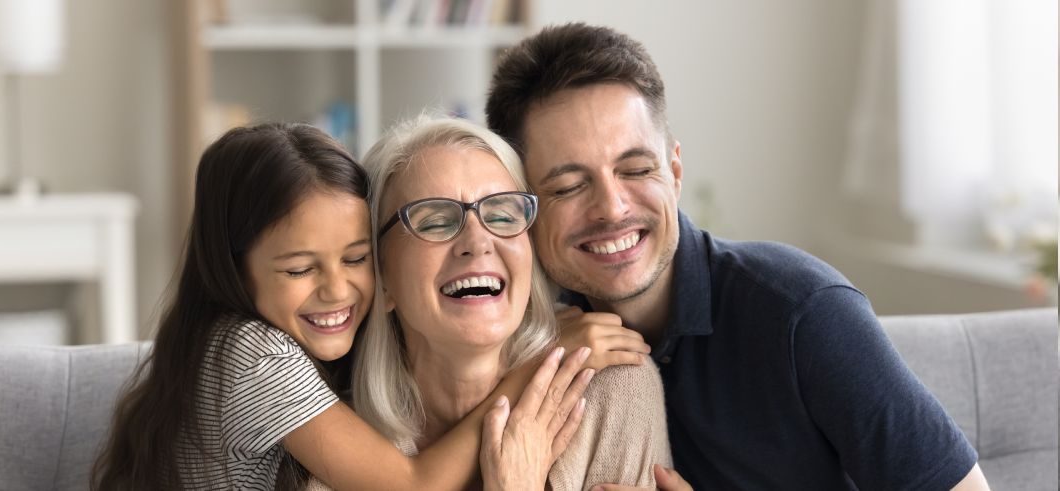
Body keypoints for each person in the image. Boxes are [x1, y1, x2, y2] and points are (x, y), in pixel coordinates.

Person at [485, 23, 991, 490]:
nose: (612, 208)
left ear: (674, 172)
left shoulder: (802, 311)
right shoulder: (513, 325)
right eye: (569, 186)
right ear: (520, 206)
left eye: (636, 170)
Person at [91, 122, 627, 490]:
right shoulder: (253, 355)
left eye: (355, 259)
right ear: (233, 268)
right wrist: (536, 371)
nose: (338, 290)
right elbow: (411, 485)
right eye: (299, 269)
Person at [319, 115, 671, 490]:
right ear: (381, 276)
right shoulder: (333, 447)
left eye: (502, 216)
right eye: (435, 222)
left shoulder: (614, 388)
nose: (477, 241)